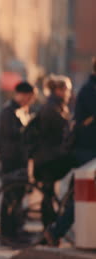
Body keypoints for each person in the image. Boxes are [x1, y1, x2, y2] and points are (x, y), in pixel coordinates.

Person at [44, 57, 96, 246]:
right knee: (87, 194)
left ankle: (57, 230)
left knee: (85, 194)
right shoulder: (90, 91)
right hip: (87, 150)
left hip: (90, 149)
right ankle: (57, 230)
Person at [0, 81, 36, 242]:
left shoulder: (21, 111)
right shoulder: (8, 112)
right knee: (9, 198)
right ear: (22, 95)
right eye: (30, 97)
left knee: (18, 197)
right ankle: (7, 233)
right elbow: (11, 136)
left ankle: (16, 229)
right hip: (10, 161)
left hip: (18, 160)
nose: (31, 101)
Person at [31, 75, 75, 229]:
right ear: (58, 90)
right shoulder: (51, 108)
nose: (69, 93)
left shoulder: (58, 106)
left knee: (48, 193)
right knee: (48, 194)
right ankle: (49, 229)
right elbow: (61, 132)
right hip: (47, 159)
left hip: (50, 156)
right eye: (67, 90)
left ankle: (51, 226)